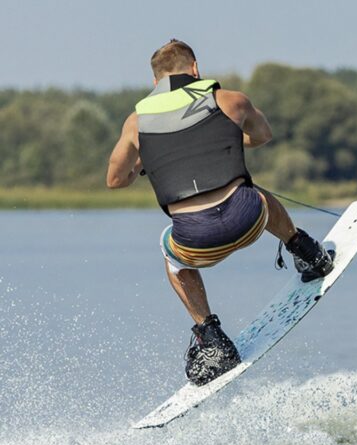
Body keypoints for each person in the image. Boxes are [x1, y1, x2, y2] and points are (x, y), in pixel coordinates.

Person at [106, 39, 336, 385]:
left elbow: (115, 180)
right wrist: (222, 138)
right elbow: (261, 136)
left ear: (155, 82)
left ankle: (212, 338)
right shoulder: (230, 100)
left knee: (170, 257)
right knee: (253, 191)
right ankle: (306, 251)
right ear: (195, 69)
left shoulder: (136, 124)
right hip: (249, 220)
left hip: (196, 243)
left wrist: (145, 161)